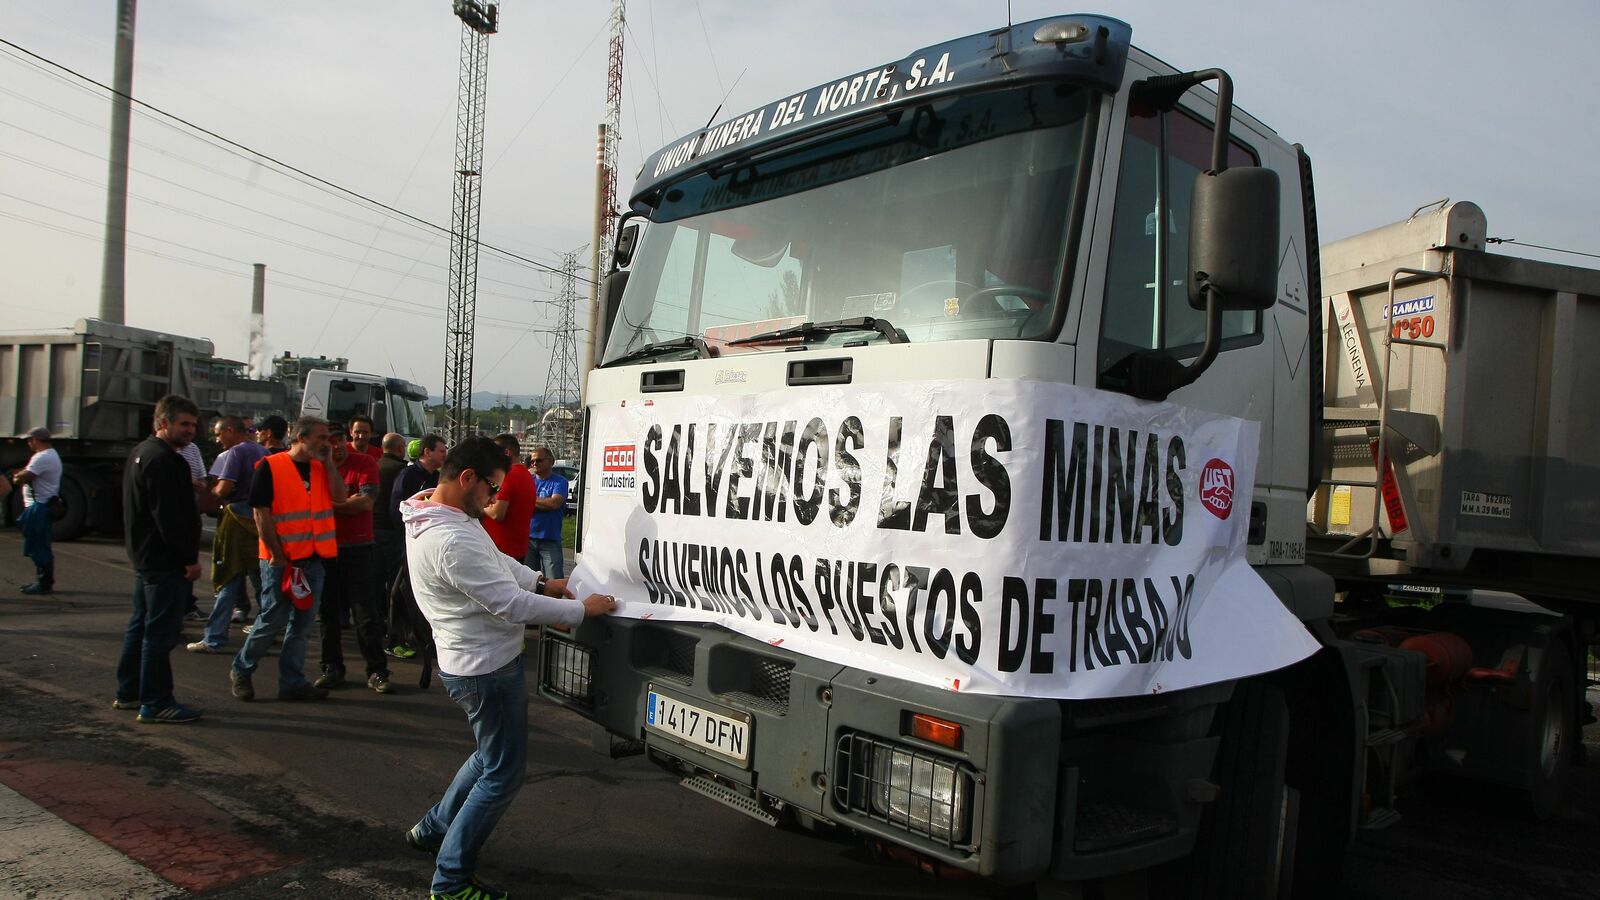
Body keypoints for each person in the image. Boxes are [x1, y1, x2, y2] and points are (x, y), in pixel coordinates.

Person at [400, 436, 614, 900]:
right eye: (490, 490)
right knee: (502, 773)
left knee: (487, 756)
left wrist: (545, 581)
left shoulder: (436, 512)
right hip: (485, 669)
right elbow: (509, 604)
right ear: (466, 478)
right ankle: (451, 880)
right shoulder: (449, 537)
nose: (494, 500)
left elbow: (499, 564)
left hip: (471, 663)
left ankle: (434, 828)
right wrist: (583, 611)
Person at [229, 415, 348, 703]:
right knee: (273, 618)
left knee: (303, 624)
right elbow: (261, 514)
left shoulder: (321, 468)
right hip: (281, 559)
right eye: (320, 437)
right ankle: (242, 669)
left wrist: (330, 462)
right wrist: (277, 555)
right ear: (301, 438)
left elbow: (340, 497)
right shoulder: (271, 466)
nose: (326, 443)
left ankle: (292, 681)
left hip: (314, 558)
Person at [115, 395, 203, 724]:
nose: (190, 431)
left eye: (193, 425)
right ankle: (155, 701)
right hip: (164, 562)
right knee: (159, 633)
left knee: (140, 626)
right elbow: (170, 518)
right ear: (163, 423)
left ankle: (129, 691)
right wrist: (188, 560)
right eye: (183, 424)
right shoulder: (166, 461)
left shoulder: (142, 453)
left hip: (145, 558)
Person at [315, 422, 393, 693]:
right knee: (329, 614)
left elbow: (365, 503)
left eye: (336, 440)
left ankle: (377, 671)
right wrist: (347, 504)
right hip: (326, 549)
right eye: (327, 440)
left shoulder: (365, 463)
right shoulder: (317, 466)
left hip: (359, 548)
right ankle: (331, 668)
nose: (333, 446)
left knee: (366, 614)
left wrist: (325, 505)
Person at [189, 416, 268, 652]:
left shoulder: (235, 454)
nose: (217, 439)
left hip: (236, 520)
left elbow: (224, 488)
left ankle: (214, 637)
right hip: (261, 519)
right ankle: (267, 630)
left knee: (229, 578)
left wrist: (213, 489)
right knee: (261, 579)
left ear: (231, 431)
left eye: (219, 434)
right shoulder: (265, 452)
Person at [386, 434, 446, 659]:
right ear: (427, 452)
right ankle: (395, 639)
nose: (445, 454)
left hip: (429, 544)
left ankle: (419, 636)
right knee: (400, 589)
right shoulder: (408, 475)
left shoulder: (438, 478)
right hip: (408, 542)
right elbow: (396, 509)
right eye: (441, 450)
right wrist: (409, 537)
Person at [10, 426, 61, 595]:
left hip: (38, 507)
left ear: (36, 440)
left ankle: (43, 583)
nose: (28, 444)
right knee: (40, 543)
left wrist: (18, 475)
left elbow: (22, 478)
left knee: (39, 545)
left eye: (30, 440)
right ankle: (43, 580)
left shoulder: (42, 457)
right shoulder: (51, 455)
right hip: (43, 505)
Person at [479, 435, 536, 564]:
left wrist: (478, 503)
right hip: (518, 547)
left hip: (501, 549)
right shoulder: (526, 474)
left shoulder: (508, 475)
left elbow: (496, 513)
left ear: (507, 452)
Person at [524, 446, 568, 579]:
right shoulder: (528, 481)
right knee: (530, 582)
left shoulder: (560, 482)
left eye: (539, 460)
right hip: (528, 539)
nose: (534, 464)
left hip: (550, 539)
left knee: (554, 580)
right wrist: (543, 503)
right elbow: (522, 505)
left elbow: (554, 504)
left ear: (551, 461)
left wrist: (531, 501)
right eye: (532, 462)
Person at [374, 432, 409, 596]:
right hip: (391, 528)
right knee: (394, 574)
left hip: (372, 526)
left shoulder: (375, 466)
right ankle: (392, 611)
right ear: (401, 448)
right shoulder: (402, 470)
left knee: (375, 574)